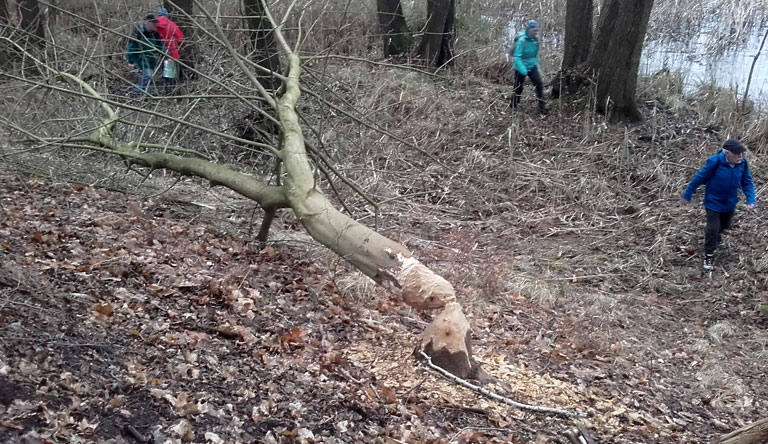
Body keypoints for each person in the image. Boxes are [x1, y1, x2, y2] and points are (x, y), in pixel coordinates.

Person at [682, 139, 757, 271]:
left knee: (725, 225)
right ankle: (708, 255)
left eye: (741, 154)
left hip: (730, 203)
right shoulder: (715, 162)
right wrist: (688, 194)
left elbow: (747, 182)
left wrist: (751, 199)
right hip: (713, 202)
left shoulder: (742, 163)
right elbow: (699, 178)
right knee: (712, 229)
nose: (740, 156)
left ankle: (717, 236)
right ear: (727, 153)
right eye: (737, 154)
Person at [508, 20, 546, 114]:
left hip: (532, 65)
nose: (535, 33)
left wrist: (537, 63)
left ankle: (542, 107)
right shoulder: (522, 40)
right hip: (520, 66)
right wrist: (523, 70)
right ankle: (513, 105)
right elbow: (517, 57)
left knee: (539, 84)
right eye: (534, 30)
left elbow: (536, 54)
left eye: (537, 31)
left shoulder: (535, 40)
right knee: (518, 87)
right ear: (529, 30)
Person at [125, 15, 164, 95]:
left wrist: (165, 53)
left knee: (149, 77)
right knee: (147, 76)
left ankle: (146, 92)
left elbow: (159, 45)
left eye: (155, 23)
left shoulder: (155, 34)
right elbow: (132, 47)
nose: (155, 25)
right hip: (141, 58)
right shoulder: (139, 32)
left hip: (151, 59)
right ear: (147, 22)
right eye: (153, 23)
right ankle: (137, 91)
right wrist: (131, 61)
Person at [155, 7, 185, 91]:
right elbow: (180, 38)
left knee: (164, 70)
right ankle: (172, 90)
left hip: (159, 51)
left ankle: (165, 87)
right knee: (171, 72)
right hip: (171, 51)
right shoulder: (171, 24)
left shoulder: (153, 25)